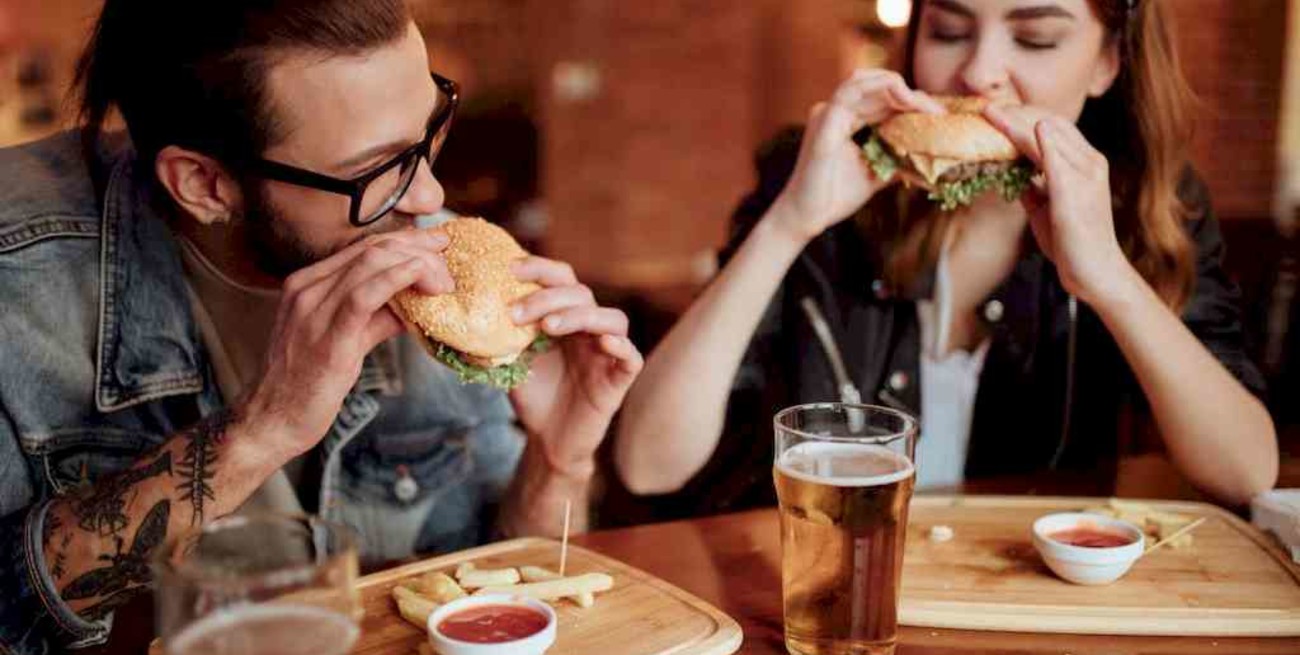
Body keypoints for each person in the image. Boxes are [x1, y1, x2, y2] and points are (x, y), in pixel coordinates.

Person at [0, 1, 642, 651]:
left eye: (429, 129)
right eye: (375, 169)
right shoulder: (17, 282)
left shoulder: (442, 279)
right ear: (203, 184)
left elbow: (489, 587)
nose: (428, 199)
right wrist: (262, 431)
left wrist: (559, 458)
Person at [614, 0, 1277, 516]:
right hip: (817, 593)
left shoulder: (1149, 203)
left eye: (1035, 37)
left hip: (1025, 602)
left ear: (1109, 62)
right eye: (949, 31)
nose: (979, 72)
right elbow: (647, 461)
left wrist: (1108, 277)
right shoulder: (818, 166)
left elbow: (1245, 471)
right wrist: (791, 221)